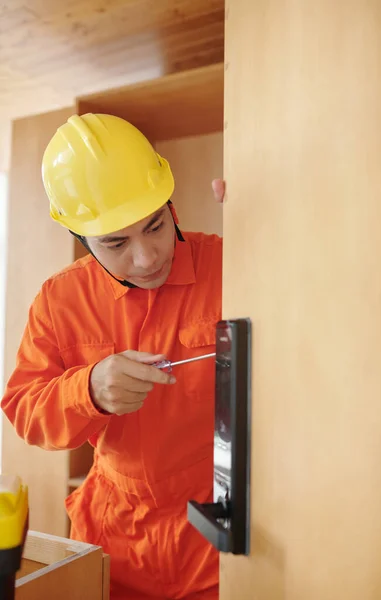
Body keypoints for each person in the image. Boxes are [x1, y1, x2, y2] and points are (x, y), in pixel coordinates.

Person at [1, 113, 226, 600]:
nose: (147, 258)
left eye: (155, 226)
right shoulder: (59, 301)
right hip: (112, 537)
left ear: (171, 204)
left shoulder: (234, 264)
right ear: (81, 238)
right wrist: (87, 391)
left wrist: (273, 232)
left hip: (218, 533)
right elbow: (23, 409)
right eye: (116, 242)